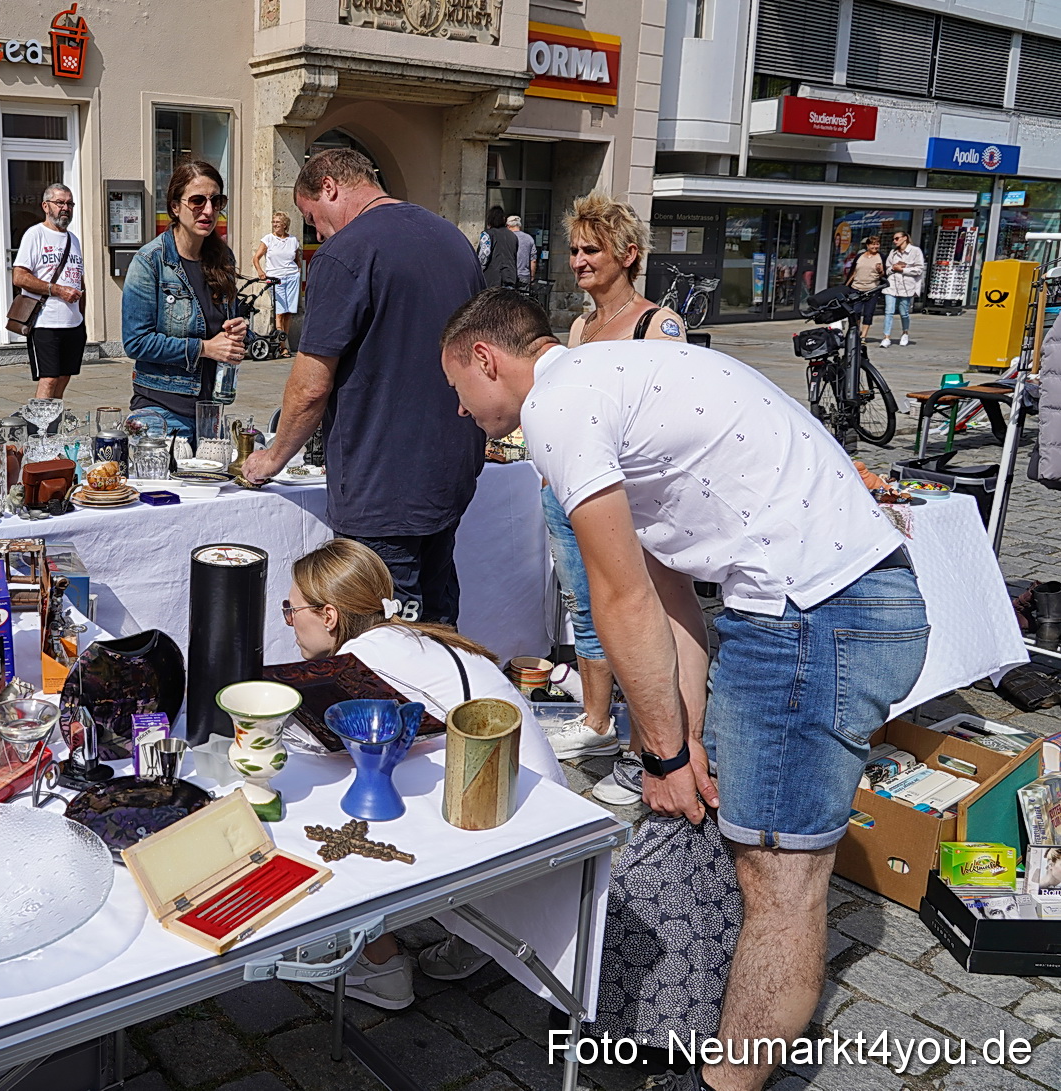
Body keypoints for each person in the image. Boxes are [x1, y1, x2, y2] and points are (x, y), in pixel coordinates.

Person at [441, 290, 929, 1091]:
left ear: (487, 360)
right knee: (756, 857)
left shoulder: (561, 409)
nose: (462, 412)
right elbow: (669, 604)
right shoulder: (613, 385)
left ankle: (725, 1083)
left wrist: (665, 753)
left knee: (783, 881)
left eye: (459, 390)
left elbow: (619, 598)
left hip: (816, 613)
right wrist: (684, 740)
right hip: (812, 606)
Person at [279, 539, 564, 1008]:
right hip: (536, 813)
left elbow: (303, 745)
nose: (290, 624)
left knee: (309, 786)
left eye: (293, 612)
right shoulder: (415, 637)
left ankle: (379, 963)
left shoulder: (361, 665)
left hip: (500, 834)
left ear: (328, 615)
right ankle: (475, 938)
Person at [242, 148, 487, 626]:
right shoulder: (452, 238)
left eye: (313, 218)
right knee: (436, 620)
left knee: (387, 635)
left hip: (383, 483)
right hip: (449, 467)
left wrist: (272, 458)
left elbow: (311, 384)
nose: (317, 233)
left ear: (330, 186)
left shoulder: (347, 252)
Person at [544, 194, 687, 802]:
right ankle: (598, 722)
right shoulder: (580, 327)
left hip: (629, 495)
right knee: (585, 603)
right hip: (572, 487)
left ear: (628, 255)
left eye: (591, 249)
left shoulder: (660, 324)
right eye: (574, 249)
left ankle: (646, 745)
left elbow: (675, 417)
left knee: (636, 610)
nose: (579, 260)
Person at [121, 161, 246, 442]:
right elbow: (136, 342)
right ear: (176, 207)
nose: (209, 210)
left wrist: (237, 332)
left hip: (210, 414)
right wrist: (205, 348)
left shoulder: (223, 259)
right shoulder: (150, 261)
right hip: (160, 414)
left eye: (217, 200)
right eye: (198, 201)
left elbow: (220, 330)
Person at [12, 183, 86, 400]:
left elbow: (80, 282)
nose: (66, 208)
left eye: (70, 203)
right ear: (46, 206)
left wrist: (82, 318)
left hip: (73, 323)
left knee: (64, 376)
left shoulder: (74, 240)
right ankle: (38, 429)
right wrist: (57, 290)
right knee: (49, 378)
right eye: (60, 203)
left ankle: (54, 425)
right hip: (45, 322)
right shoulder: (35, 235)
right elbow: (19, 277)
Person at [251, 211, 301, 337]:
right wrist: (260, 271)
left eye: (278, 222)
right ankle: (282, 344)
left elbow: (297, 260)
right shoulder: (268, 239)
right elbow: (256, 258)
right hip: (275, 278)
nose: (275, 224)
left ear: (285, 224)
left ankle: (285, 340)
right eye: (273, 222)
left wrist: (299, 273)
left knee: (288, 312)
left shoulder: (293, 240)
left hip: (292, 277)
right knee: (279, 311)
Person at [882, 230, 925, 348]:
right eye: (894, 239)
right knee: (888, 311)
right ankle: (886, 337)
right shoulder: (893, 253)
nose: (894, 241)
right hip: (892, 286)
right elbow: (887, 269)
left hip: (907, 286)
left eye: (897, 238)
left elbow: (919, 269)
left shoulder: (915, 251)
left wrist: (903, 270)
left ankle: (905, 333)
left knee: (903, 312)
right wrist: (893, 268)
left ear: (904, 238)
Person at [845, 235, 884, 336]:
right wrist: (846, 286)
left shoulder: (881, 257)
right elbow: (853, 272)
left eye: (877, 244)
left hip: (872, 289)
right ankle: (856, 332)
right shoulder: (860, 256)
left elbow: (883, 275)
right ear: (867, 245)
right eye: (873, 244)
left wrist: (880, 271)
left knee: (868, 313)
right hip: (856, 288)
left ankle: (863, 336)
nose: (875, 246)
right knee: (855, 312)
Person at [476, 204, 520, 290]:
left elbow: (483, 258)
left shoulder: (487, 234)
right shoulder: (513, 236)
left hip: (492, 279)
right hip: (509, 277)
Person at [507, 214, 537, 287]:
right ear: (519, 226)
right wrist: (532, 277)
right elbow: (533, 260)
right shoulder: (529, 238)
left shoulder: (506, 238)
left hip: (509, 275)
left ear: (508, 226)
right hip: (524, 275)